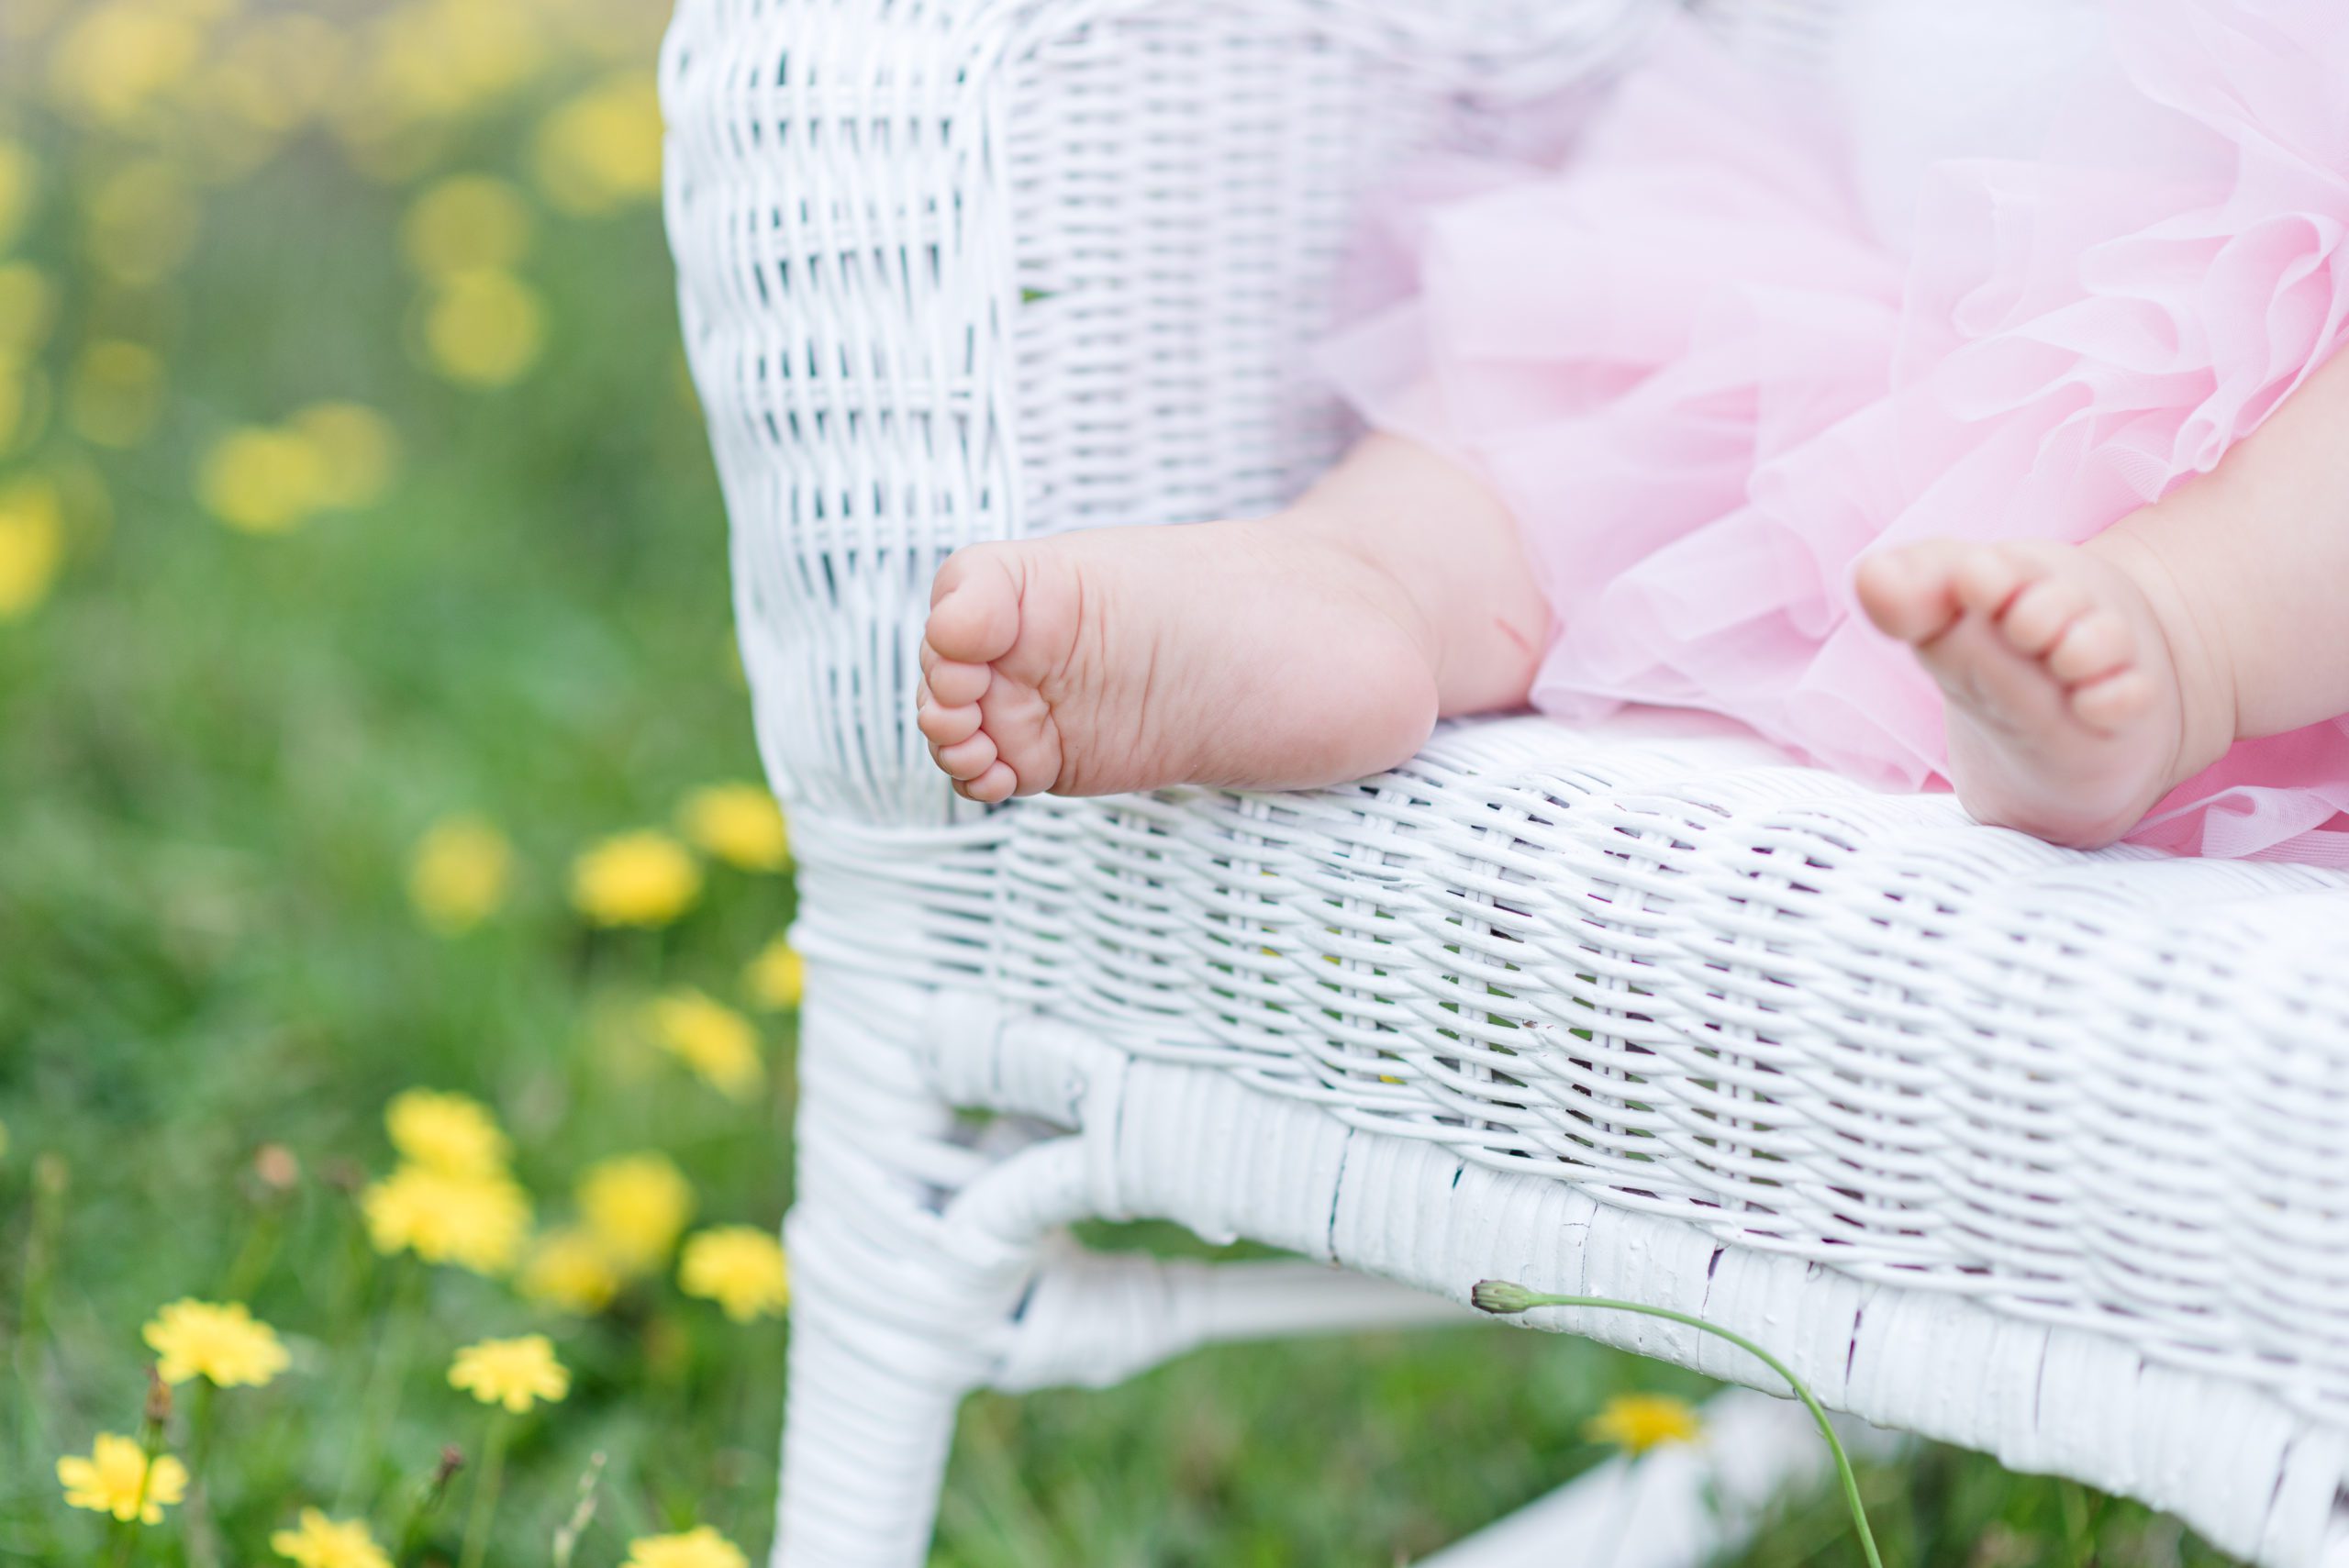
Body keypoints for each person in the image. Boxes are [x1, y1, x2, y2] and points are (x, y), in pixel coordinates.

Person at [914, 0, 2349, 860]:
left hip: (2285, 413)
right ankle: (1366, 579)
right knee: (1599, 356)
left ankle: (2173, 644)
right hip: (1903, 264)